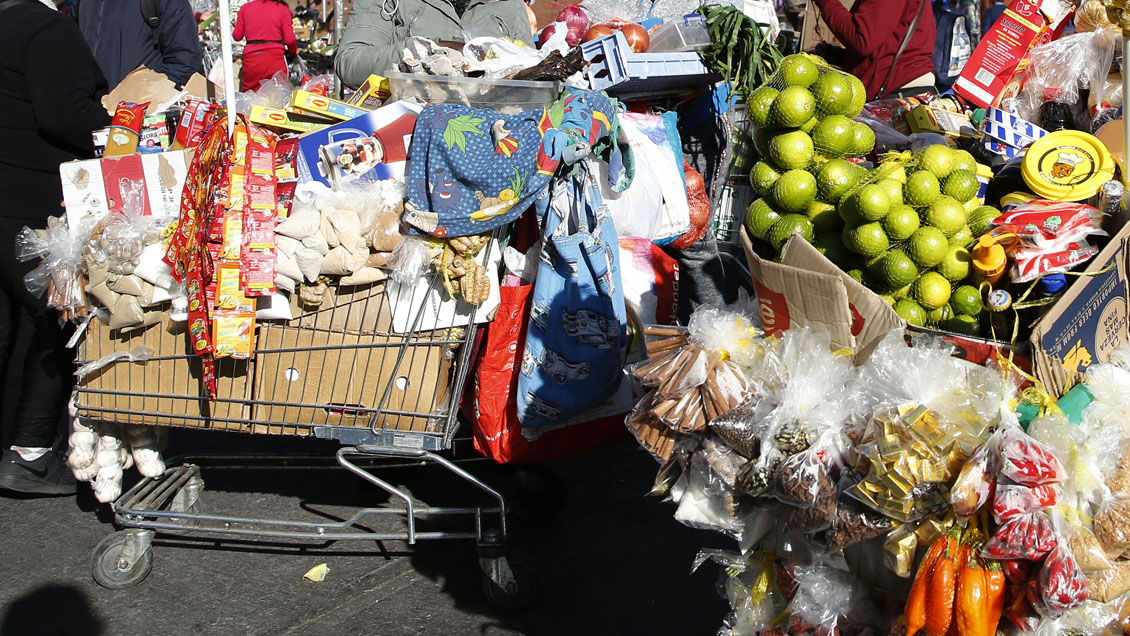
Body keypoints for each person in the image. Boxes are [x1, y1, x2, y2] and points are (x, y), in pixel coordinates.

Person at [0, 0, 111, 494]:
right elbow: (65, 114)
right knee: (56, 320)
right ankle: (29, 450)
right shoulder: (46, 28)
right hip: (32, 203)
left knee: (15, 328)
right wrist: (114, 123)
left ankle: (16, 446)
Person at [336, 0, 533, 90]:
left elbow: (533, 76)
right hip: (409, 140)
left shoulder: (509, 4)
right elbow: (350, 63)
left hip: (489, 144)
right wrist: (427, 51)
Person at [810, 0, 937, 100]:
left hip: (900, 91)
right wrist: (842, 57)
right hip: (899, 86)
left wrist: (826, 2)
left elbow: (861, 40)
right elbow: (883, 40)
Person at [79, 0, 203, 89]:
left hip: (141, 117)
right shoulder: (83, 3)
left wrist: (148, 98)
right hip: (95, 115)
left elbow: (186, 59)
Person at [233, 0, 299, 92]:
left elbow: (237, 36)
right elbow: (290, 40)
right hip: (275, 60)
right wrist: (292, 53)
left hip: (252, 61)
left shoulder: (245, 8)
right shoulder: (282, 9)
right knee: (280, 96)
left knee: (251, 96)